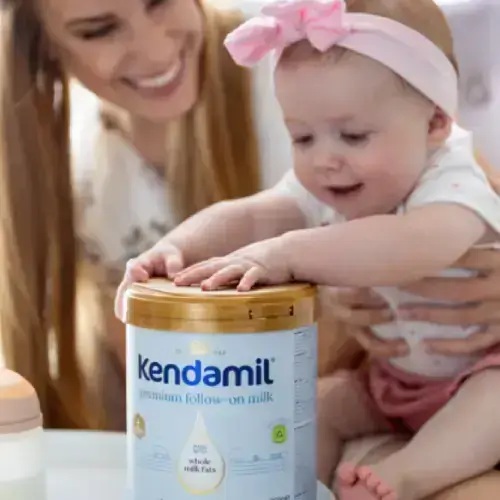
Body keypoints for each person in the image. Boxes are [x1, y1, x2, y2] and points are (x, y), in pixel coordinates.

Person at [0, 0, 499, 497]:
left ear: (435, 124)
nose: (325, 159)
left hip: (479, 373)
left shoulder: (451, 179)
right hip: (390, 381)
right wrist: (174, 248)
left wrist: (286, 254)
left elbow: (416, 243)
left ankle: (406, 475)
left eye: (352, 135)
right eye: (301, 138)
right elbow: (252, 214)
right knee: (313, 410)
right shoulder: (332, 171)